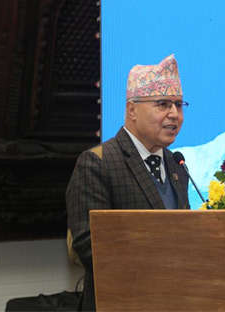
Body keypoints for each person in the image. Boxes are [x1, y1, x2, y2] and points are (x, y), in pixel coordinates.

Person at [66, 54, 190, 311]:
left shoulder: (176, 164)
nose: (174, 114)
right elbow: (91, 247)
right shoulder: (97, 163)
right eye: (163, 104)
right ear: (132, 109)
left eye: (179, 105)